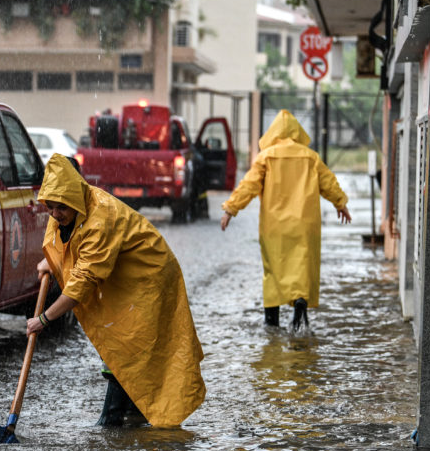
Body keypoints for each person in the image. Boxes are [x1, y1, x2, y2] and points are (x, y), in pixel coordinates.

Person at [26, 153, 206, 428]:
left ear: (73, 198)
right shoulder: (66, 208)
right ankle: (135, 418)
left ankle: (111, 422)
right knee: (123, 343)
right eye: (49, 207)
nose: (54, 213)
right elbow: (67, 241)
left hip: (149, 278)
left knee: (128, 345)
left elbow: (81, 284)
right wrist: (52, 260)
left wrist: (44, 319)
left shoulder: (100, 219)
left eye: (60, 207)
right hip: (121, 280)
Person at [219, 109, 352, 329]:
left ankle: (271, 322)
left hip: (275, 226)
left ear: (273, 133)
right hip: (304, 225)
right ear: (297, 132)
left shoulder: (266, 157)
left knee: (273, 270)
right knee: (301, 266)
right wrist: (341, 203)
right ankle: (300, 301)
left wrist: (230, 210)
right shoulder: (311, 157)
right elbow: (328, 183)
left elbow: (249, 186)